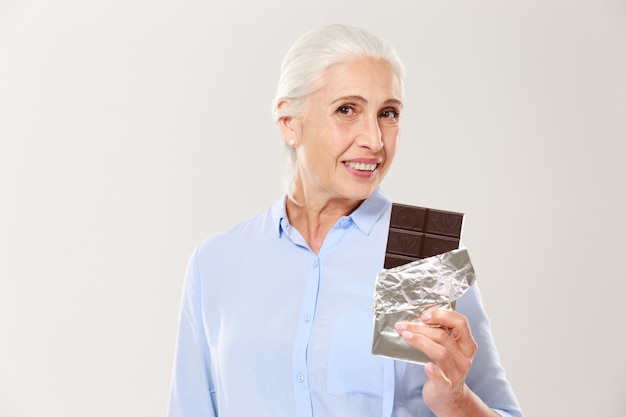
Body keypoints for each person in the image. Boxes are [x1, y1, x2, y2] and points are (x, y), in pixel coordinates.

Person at [167, 23, 523, 417]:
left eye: (388, 113)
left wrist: (455, 400)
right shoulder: (218, 261)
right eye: (346, 110)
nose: (374, 139)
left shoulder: (423, 258)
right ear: (289, 122)